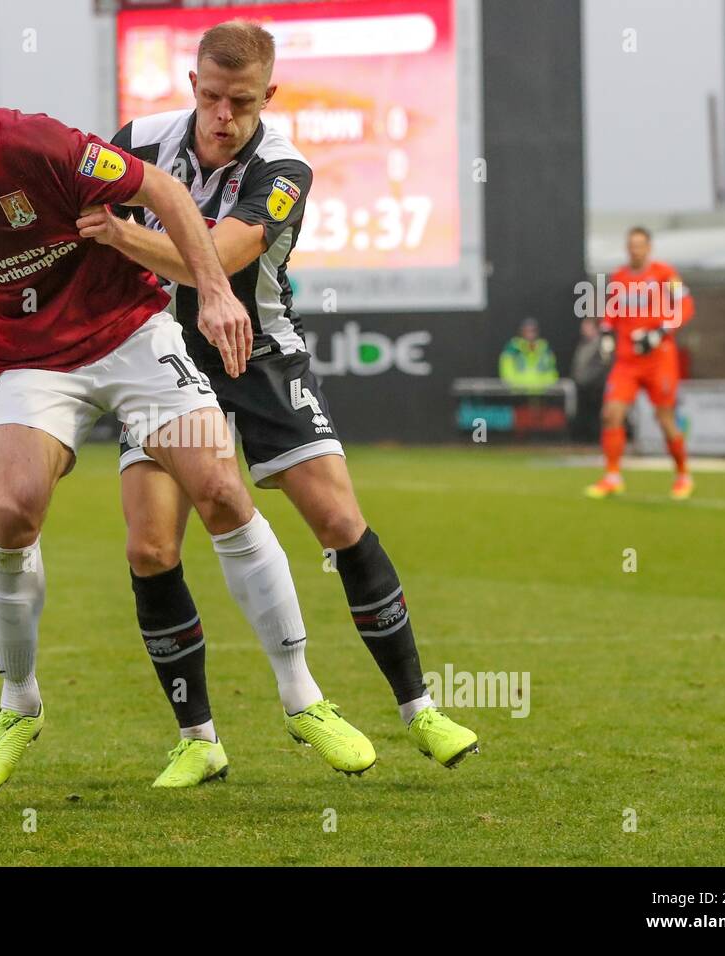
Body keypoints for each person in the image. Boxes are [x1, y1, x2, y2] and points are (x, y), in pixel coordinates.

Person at [0, 49, 371, 795]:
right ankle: (18, 707)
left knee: (221, 490)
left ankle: (302, 697)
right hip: (34, 364)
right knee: (9, 510)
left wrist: (216, 292)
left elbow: (160, 186)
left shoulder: (31, 144)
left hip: (131, 336)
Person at [75, 20, 477, 788]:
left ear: (270, 96)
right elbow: (79, 215)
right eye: (215, 98)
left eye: (244, 102)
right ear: (193, 86)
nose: (226, 116)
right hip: (162, 361)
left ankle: (419, 709)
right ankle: (198, 739)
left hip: (260, 353)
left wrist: (121, 238)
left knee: (338, 521)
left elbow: (218, 260)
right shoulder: (140, 139)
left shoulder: (285, 164)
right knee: (151, 547)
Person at [586, 226, 695, 500]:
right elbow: (611, 313)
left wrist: (659, 333)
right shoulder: (618, 278)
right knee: (611, 413)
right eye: (631, 245)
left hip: (659, 360)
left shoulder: (665, 274)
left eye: (640, 245)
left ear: (649, 247)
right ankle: (612, 476)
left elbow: (686, 306)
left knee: (664, 419)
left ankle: (683, 474)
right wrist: (608, 335)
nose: (635, 249)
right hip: (627, 362)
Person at [570, 317, 607, 442]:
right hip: (582, 387)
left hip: (596, 388)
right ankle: (585, 440)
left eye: (586, 327)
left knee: (596, 417)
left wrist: (590, 380)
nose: (583, 330)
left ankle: (597, 441)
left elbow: (603, 365)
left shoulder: (602, 344)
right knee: (584, 416)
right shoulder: (583, 344)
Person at [499, 318, 558, 394]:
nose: (530, 334)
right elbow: (507, 371)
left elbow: (551, 371)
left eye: (533, 330)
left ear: (537, 332)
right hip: (518, 393)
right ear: (521, 332)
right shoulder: (513, 348)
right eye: (527, 330)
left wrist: (546, 386)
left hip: (541, 394)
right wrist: (515, 387)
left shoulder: (544, 348)